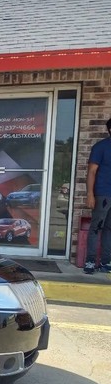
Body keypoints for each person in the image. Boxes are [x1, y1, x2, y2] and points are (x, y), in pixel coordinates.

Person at [84, 117, 111, 273]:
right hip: (103, 195)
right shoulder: (100, 147)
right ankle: (90, 262)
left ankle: (106, 263)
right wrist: (90, 194)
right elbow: (92, 171)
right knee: (96, 228)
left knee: (109, 229)